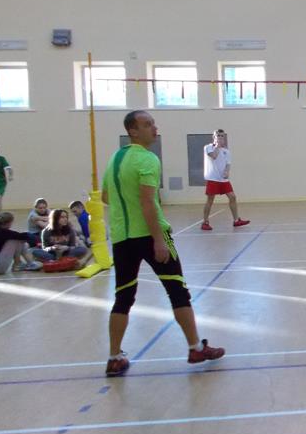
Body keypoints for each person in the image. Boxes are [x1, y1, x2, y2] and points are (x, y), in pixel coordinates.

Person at [102, 110, 225, 377]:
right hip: (151, 235)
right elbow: (148, 201)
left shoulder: (114, 159)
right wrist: (158, 239)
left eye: (153, 124)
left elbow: (105, 197)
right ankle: (195, 348)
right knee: (177, 291)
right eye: (147, 125)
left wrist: (127, 210)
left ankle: (114, 357)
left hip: (122, 238)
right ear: (133, 131)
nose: (154, 128)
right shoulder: (148, 159)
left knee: (123, 297)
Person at [201, 129, 249, 231]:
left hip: (223, 180)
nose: (220, 137)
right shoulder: (208, 147)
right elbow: (214, 156)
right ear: (214, 137)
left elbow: (228, 164)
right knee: (210, 200)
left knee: (232, 197)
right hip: (212, 178)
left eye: (222, 136)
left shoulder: (226, 151)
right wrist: (217, 146)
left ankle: (236, 220)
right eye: (218, 135)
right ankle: (205, 222)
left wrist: (227, 172)